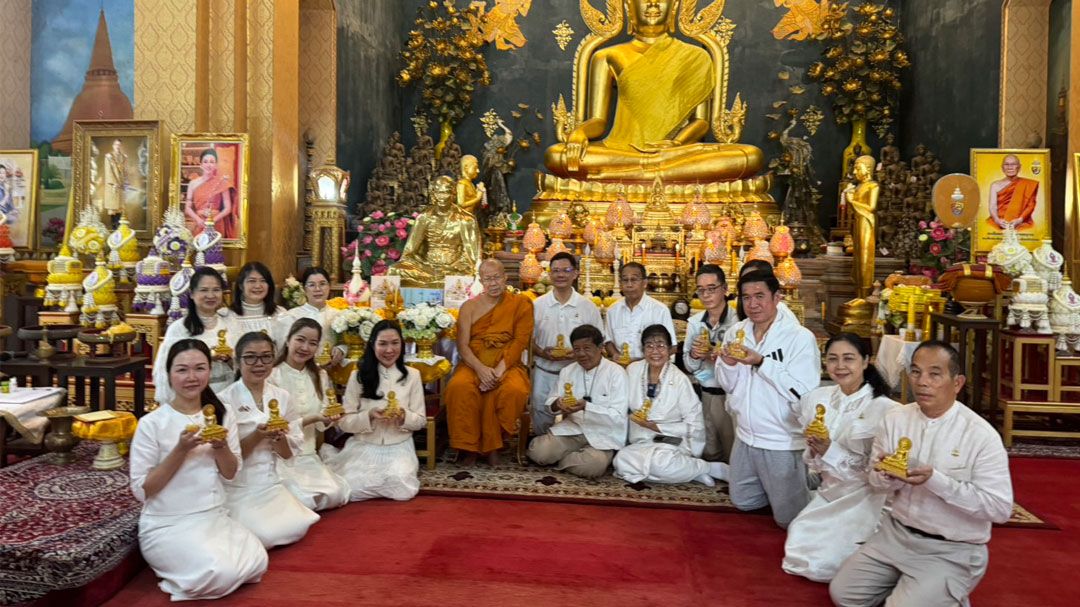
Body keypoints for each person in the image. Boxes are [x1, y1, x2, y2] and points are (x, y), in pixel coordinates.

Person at [830, 341, 1014, 607]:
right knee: (844, 595)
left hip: (951, 548)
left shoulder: (981, 436)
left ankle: (940, 591)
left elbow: (999, 509)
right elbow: (875, 482)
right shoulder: (895, 419)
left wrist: (936, 481)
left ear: (957, 382)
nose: (922, 382)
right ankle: (918, 588)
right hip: (895, 535)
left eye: (935, 374)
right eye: (916, 372)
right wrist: (883, 476)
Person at [542, 0, 763, 182]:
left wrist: (675, 145)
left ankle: (630, 174)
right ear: (629, 8)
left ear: (674, 8)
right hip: (621, 150)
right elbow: (598, 121)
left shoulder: (696, 56)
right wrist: (580, 133)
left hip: (676, 153)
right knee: (556, 156)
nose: (653, 4)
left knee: (748, 156)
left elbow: (701, 122)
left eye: (662, 0)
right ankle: (653, 171)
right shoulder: (607, 56)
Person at [129, 340, 267, 601]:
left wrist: (221, 446)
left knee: (258, 562)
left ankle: (197, 566)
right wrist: (180, 450)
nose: (191, 377)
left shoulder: (222, 416)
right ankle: (178, 574)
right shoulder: (152, 423)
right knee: (221, 574)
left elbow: (231, 473)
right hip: (167, 522)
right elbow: (143, 490)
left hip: (212, 516)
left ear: (209, 371)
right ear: (168, 374)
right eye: (182, 370)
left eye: (199, 368)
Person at [782, 333, 898, 583]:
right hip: (830, 489)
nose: (840, 366)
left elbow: (876, 472)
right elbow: (812, 461)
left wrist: (830, 450)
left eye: (849, 359)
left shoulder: (886, 410)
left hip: (866, 495)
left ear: (866, 361)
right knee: (800, 540)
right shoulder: (817, 399)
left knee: (830, 560)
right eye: (832, 359)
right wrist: (815, 449)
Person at [715, 270, 821, 528]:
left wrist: (762, 362)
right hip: (746, 435)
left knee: (789, 521)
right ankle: (779, 484)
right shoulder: (736, 332)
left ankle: (812, 481)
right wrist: (728, 364)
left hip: (781, 438)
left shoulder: (799, 337)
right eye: (746, 297)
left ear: (777, 297)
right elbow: (727, 385)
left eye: (760, 296)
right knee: (743, 501)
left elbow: (803, 392)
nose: (752, 304)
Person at [218, 332, 319, 548]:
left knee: (298, 526)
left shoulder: (282, 396)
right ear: (237, 360)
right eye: (250, 357)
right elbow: (226, 462)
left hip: (270, 482)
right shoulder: (224, 400)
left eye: (266, 357)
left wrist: (279, 438)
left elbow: (287, 454)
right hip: (240, 485)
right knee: (264, 534)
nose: (259, 364)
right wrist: (257, 436)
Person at [323, 320, 426, 501]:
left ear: (402, 345)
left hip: (399, 446)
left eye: (395, 343)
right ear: (372, 345)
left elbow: (420, 420)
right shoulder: (358, 375)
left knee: (403, 489)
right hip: (364, 445)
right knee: (349, 488)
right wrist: (368, 416)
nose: (389, 350)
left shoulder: (412, 375)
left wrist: (403, 416)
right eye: (383, 344)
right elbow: (344, 422)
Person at [444, 259, 533, 466]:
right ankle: (468, 447)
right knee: (459, 387)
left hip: (507, 363)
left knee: (514, 390)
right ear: (481, 280)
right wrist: (481, 370)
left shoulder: (521, 304)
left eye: (496, 278)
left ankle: (496, 444)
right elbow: (463, 346)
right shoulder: (469, 306)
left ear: (505, 278)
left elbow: (520, 341)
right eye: (487, 279)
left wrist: (498, 371)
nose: (493, 283)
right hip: (473, 363)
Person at [614, 324, 727, 486]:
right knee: (620, 460)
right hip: (642, 442)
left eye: (660, 346)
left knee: (661, 463)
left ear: (669, 349)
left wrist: (657, 427)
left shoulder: (680, 379)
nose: (655, 352)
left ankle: (707, 467)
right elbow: (621, 405)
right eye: (649, 346)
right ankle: (694, 472)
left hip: (671, 442)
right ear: (642, 349)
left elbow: (694, 424)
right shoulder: (632, 370)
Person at [269, 318, 351, 511]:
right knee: (300, 498)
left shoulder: (320, 376)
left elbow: (323, 424)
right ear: (288, 340)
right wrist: (314, 418)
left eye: (312, 343)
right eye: (300, 340)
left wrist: (332, 417)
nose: (305, 347)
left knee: (336, 494)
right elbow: (275, 425)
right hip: (282, 457)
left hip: (308, 454)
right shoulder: (272, 375)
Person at [527, 324, 628, 479]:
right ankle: (572, 457)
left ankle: (564, 458)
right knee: (537, 451)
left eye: (587, 348)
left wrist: (587, 407)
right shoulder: (568, 371)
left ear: (600, 347)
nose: (581, 354)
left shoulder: (616, 373)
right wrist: (558, 404)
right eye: (576, 349)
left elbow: (618, 416)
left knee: (593, 466)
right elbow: (551, 403)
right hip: (573, 429)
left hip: (603, 434)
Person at [530, 252, 604, 433]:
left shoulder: (587, 306)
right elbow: (527, 340)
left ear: (575, 274)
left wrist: (580, 353)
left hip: (577, 372)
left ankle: (566, 450)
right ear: (549, 274)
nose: (560, 275)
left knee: (576, 418)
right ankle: (542, 446)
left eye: (566, 270)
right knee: (540, 412)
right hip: (544, 371)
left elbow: (599, 342)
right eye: (555, 271)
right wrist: (541, 352)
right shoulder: (537, 305)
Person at [154, 267, 239, 402]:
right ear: (192, 294)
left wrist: (230, 360)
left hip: (229, 395)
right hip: (192, 396)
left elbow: (242, 364)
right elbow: (166, 369)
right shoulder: (179, 329)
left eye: (216, 290)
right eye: (204, 290)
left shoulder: (231, 323)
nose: (210, 296)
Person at [683, 264, 737, 462]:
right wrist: (696, 356)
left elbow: (743, 361)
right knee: (709, 453)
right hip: (706, 393)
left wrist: (712, 353)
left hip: (731, 396)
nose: (706, 295)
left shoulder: (738, 321)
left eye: (711, 288)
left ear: (725, 288)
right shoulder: (695, 322)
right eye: (701, 289)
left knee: (733, 453)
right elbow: (688, 364)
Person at [387, 175, 482, 288]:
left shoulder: (466, 219)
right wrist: (422, 265)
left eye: (445, 193)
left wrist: (459, 264)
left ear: (453, 194)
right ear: (433, 194)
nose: (442, 197)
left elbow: (473, 256)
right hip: (426, 267)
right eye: (438, 192)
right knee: (394, 270)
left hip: (453, 268)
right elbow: (409, 252)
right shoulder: (424, 217)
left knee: (468, 274)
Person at [272, 267, 346, 366]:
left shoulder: (339, 315)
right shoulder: (291, 316)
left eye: (322, 284)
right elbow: (282, 349)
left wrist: (342, 348)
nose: (317, 289)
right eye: (312, 285)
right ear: (304, 288)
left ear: (329, 286)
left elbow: (347, 342)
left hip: (333, 370)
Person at [604, 262, 675, 364]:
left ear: (644, 283)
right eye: (625, 280)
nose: (629, 284)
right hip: (621, 368)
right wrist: (615, 355)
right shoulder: (612, 311)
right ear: (620, 283)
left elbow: (672, 346)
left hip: (651, 368)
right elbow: (608, 341)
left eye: (634, 279)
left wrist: (642, 363)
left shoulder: (660, 310)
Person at [184, 148, 236, 239]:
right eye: (205, 161)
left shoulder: (222, 182)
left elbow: (228, 208)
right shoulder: (192, 184)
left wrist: (213, 221)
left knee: (215, 251)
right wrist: (198, 220)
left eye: (212, 162)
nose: (209, 165)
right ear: (201, 164)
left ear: (216, 165)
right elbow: (187, 208)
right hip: (200, 223)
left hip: (217, 223)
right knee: (199, 249)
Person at [229, 261, 285, 336]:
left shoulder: (280, 314)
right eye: (252, 281)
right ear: (241, 286)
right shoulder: (229, 315)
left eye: (263, 281)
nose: (258, 286)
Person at [986, 154, 1038, 230]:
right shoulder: (995, 185)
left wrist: (1019, 220)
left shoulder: (1028, 184)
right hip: (999, 221)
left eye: (1013, 164)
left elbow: (1031, 206)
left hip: (1021, 222)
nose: (1010, 167)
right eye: (1006, 164)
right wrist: (997, 220)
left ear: (1019, 167)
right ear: (1002, 168)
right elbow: (992, 206)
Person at [103, 138, 127, 220]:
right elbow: (108, 171)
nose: (118, 146)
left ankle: (119, 229)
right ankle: (114, 229)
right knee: (113, 208)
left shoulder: (124, 157)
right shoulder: (109, 157)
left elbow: (124, 171)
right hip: (113, 185)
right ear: (113, 146)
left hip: (121, 185)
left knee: (120, 208)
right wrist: (114, 183)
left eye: (119, 145)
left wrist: (124, 182)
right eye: (116, 145)